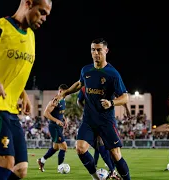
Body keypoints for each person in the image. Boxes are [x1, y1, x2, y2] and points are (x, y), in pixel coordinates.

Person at [0, 0, 52, 179]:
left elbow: (13, 71)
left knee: (20, 170)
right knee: (6, 165)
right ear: (28, 3)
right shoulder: (0, 29)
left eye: (47, 15)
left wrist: (23, 95)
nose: (44, 18)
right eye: (42, 12)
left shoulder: (31, 37)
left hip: (10, 109)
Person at [58, 38, 131, 180]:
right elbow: (79, 84)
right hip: (89, 120)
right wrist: (65, 93)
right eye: (93, 49)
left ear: (106, 51)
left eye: (99, 49)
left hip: (106, 121)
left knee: (115, 155)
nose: (95, 53)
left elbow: (125, 97)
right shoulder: (86, 70)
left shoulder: (112, 73)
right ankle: (96, 178)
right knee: (80, 149)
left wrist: (111, 103)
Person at [77, 86, 130, 179]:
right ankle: (102, 175)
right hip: (91, 121)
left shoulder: (109, 80)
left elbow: (122, 97)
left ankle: (115, 171)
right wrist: (86, 110)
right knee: (84, 148)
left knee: (115, 153)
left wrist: (126, 109)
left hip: (106, 121)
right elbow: (79, 100)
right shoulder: (85, 83)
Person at [37, 84, 69, 172]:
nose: (67, 94)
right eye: (65, 92)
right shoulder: (55, 100)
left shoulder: (63, 100)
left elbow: (59, 112)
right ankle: (60, 167)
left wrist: (64, 119)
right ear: (60, 91)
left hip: (59, 127)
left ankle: (41, 160)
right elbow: (45, 113)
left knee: (55, 147)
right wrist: (56, 121)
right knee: (64, 147)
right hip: (54, 126)